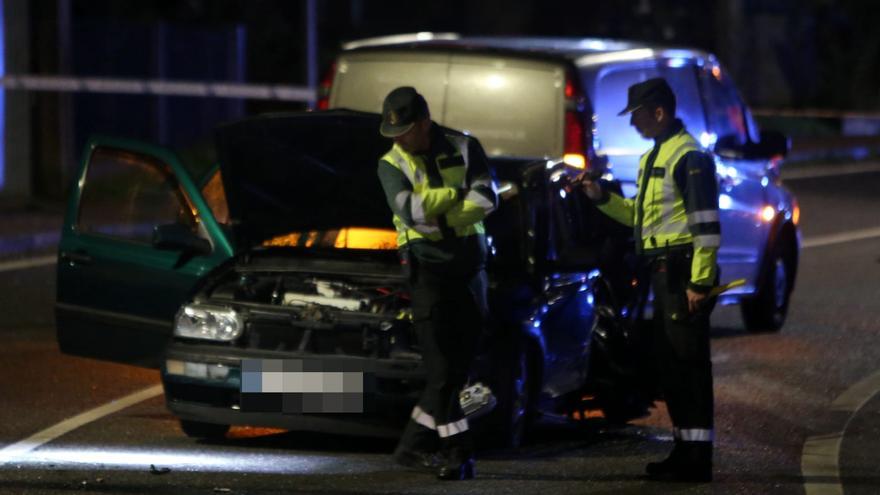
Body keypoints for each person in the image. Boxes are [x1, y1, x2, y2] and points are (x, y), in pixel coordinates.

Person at [580, 77, 720, 482]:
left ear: (659, 112)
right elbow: (638, 219)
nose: (634, 123)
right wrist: (599, 198)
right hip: (664, 273)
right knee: (672, 366)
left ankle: (697, 459)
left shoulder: (689, 156)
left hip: (682, 272)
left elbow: (706, 227)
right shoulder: (654, 156)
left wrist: (700, 281)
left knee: (689, 367)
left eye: (637, 115)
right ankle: (685, 452)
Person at [376, 86, 498, 481]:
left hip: (471, 271)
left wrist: (440, 219)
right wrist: (455, 198)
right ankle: (457, 452)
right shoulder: (390, 164)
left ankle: (411, 446)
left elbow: (486, 200)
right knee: (444, 369)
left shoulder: (464, 146)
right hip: (427, 273)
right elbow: (411, 212)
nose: (397, 139)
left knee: (454, 372)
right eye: (393, 133)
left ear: (425, 123)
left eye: (405, 131)